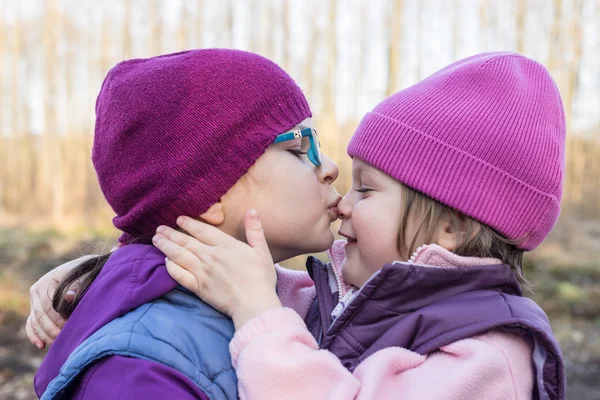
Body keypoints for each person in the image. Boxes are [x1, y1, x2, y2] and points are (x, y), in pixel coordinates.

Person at [155, 53, 567, 399]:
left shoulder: (486, 358)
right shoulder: (358, 297)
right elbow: (294, 296)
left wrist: (257, 311)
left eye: (366, 190)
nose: (343, 205)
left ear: (451, 228)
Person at [29, 48, 341, 399]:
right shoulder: (139, 373)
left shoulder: (279, 304)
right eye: (299, 148)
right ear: (213, 193)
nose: (330, 167)